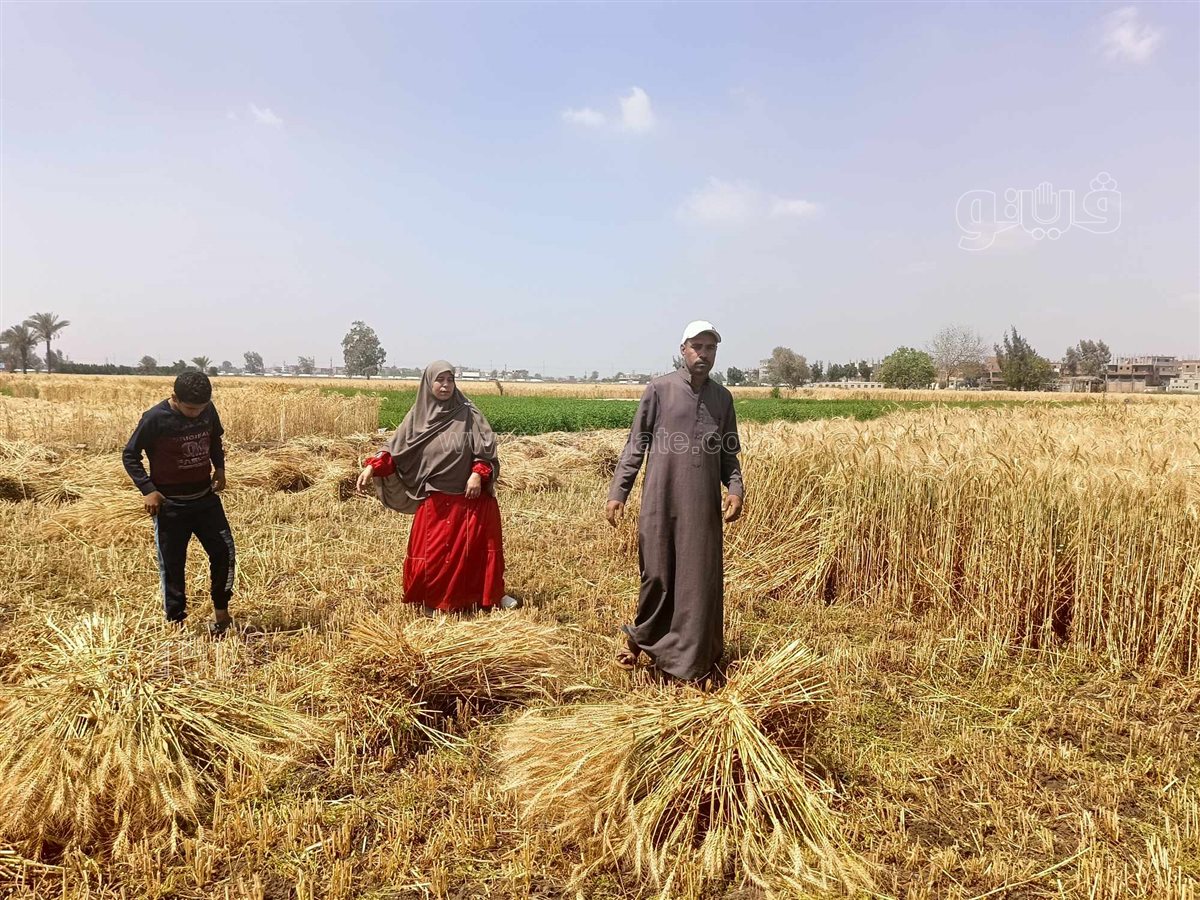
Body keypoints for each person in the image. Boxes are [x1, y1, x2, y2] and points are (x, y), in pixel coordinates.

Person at [605, 321, 745, 681]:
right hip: (661, 500)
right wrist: (619, 491)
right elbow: (636, 444)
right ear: (683, 350)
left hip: (701, 507)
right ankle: (640, 638)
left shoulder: (722, 399)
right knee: (657, 573)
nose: (704, 354)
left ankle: (691, 658)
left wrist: (735, 488)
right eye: (697, 346)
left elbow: (729, 455)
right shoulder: (660, 389)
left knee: (697, 580)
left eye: (710, 348)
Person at [356, 361, 513, 615]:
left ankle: (487, 596)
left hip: (469, 498)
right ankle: (433, 600)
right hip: (435, 498)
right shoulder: (417, 416)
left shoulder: (468, 413)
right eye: (440, 380)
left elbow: (485, 451)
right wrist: (373, 466)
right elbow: (395, 449)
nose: (445, 385)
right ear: (428, 383)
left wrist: (477, 473)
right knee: (433, 552)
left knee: (473, 554)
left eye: (450, 380)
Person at [123, 371, 235, 636]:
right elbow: (130, 455)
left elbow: (214, 439)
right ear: (174, 398)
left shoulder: (208, 410)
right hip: (171, 506)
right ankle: (176, 623)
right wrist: (148, 490)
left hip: (205, 500)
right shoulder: (155, 419)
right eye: (190, 409)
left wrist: (219, 468)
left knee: (225, 554)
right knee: (173, 565)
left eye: (201, 408)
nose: (196, 413)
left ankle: (222, 614)